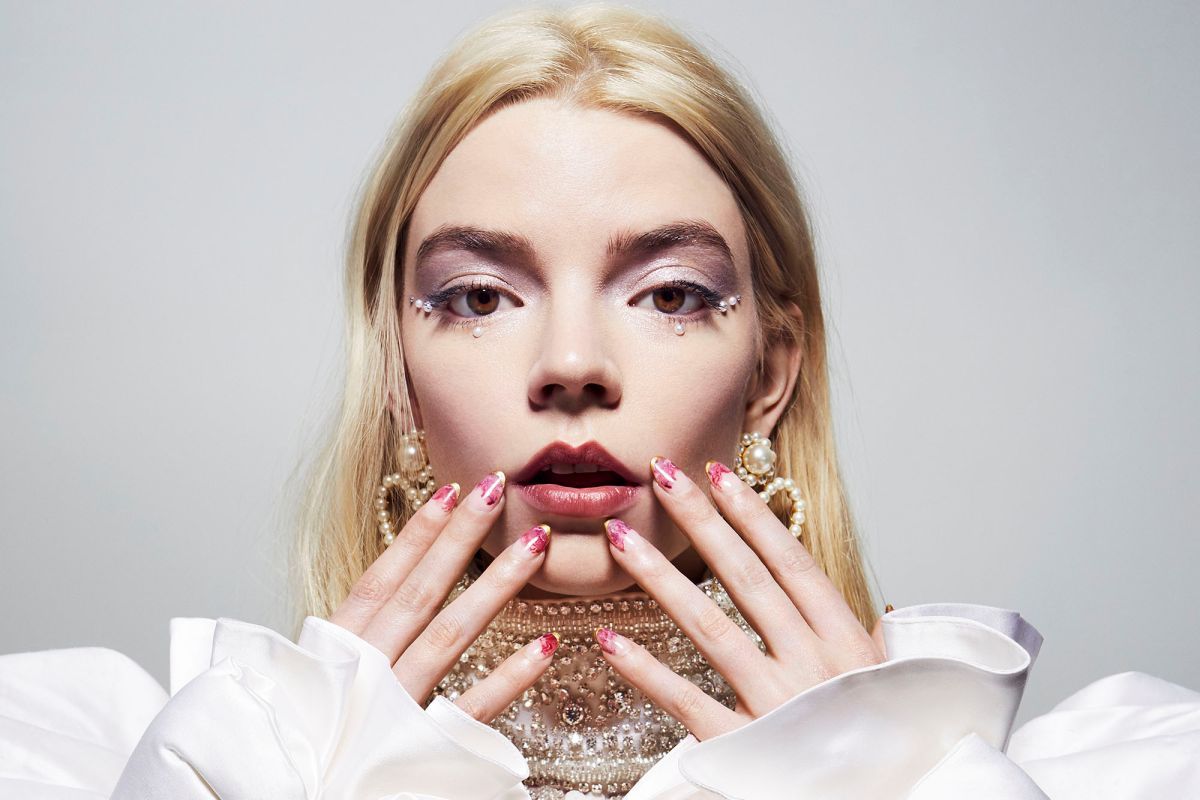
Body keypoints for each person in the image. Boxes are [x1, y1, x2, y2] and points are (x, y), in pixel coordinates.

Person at [2, 4, 1197, 799]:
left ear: (772, 370)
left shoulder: (1099, 766)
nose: (572, 361)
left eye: (670, 293)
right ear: (397, 377)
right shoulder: (117, 752)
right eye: (478, 296)